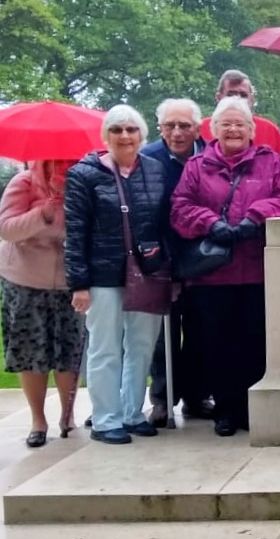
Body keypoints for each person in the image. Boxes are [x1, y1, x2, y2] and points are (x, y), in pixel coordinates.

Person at [172, 97, 280, 436]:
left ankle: (251, 409)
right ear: (213, 130)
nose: (232, 129)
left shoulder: (269, 162)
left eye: (239, 124)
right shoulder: (198, 166)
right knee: (217, 344)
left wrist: (255, 217)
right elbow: (180, 207)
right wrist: (210, 222)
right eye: (225, 124)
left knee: (255, 341)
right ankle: (226, 410)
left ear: (250, 130)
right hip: (213, 275)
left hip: (257, 270)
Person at [65, 105, 168, 444]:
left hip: (147, 272)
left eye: (131, 129)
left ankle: (131, 412)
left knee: (141, 346)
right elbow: (76, 231)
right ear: (106, 135)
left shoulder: (154, 170)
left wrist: (170, 270)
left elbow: (164, 223)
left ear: (142, 134)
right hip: (102, 274)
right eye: (117, 129)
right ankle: (107, 419)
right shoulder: (85, 173)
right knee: (106, 348)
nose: (125, 136)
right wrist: (78, 283)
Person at [0, 160, 84, 447]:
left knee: (69, 351)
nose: (62, 164)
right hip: (25, 281)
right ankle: (38, 420)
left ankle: (67, 415)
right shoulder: (23, 182)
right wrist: (43, 213)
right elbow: (8, 229)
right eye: (55, 159)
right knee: (31, 352)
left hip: (68, 281)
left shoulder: (84, 184)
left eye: (69, 159)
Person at [139, 98, 212, 427]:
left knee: (200, 330)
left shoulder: (212, 156)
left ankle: (197, 396)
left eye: (185, 125)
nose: (178, 132)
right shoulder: (148, 159)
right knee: (161, 336)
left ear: (198, 127)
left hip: (203, 258)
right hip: (162, 258)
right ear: (160, 128)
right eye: (170, 126)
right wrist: (159, 262)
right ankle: (162, 400)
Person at [199, 69, 280, 168]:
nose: (237, 99)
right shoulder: (200, 129)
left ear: (252, 100)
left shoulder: (270, 130)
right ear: (218, 98)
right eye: (231, 95)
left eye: (243, 95)